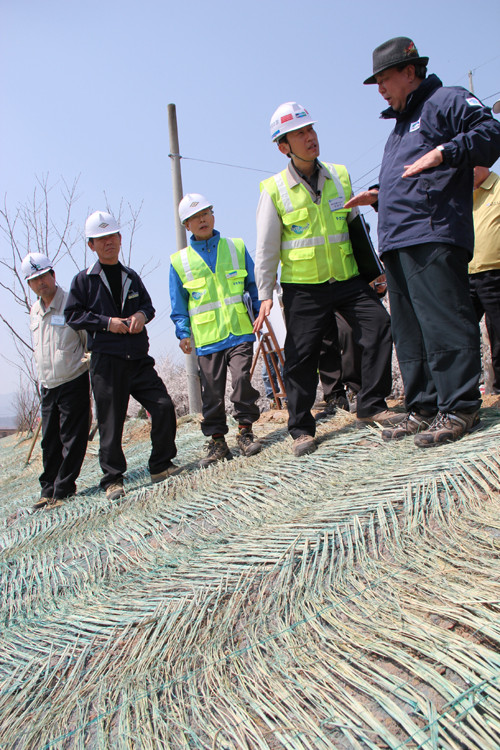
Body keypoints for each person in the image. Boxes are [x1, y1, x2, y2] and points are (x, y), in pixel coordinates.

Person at [346, 37, 500, 447]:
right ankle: (424, 406)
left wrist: (447, 152)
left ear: (410, 72)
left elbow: (490, 132)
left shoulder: (447, 100)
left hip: (432, 234)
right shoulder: (398, 126)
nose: (380, 88)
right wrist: (379, 194)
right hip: (397, 241)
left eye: (384, 78)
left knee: (443, 322)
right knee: (410, 331)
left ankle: (461, 406)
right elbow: (412, 177)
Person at [254, 101, 397, 457]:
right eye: (300, 133)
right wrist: (265, 291)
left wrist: (374, 274)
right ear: (283, 146)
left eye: (311, 130)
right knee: (301, 356)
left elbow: (356, 230)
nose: (310, 137)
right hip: (304, 288)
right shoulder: (274, 189)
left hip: (347, 279)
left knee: (379, 323)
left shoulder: (339, 176)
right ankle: (301, 428)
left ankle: (372, 403)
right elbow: (267, 246)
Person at [65, 211, 179, 500]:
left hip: (138, 359)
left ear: (120, 239)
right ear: (91, 245)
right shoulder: (83, 281)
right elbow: (72, 315)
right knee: (111, 423)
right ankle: (113, 479)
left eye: (112, 237)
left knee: (163, 406)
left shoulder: (131, 276)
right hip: (107, 362)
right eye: (101, 239)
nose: (108, 243)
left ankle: (161, 465)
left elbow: (149, 307)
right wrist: (106, 323)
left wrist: (141, 314)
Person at [170, 194, 262, 467]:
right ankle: (218, 441)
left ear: (213, 215)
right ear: (186, 226)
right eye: (194, 218)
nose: (202, 220)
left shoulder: (236, 247)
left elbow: (253, 286)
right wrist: (183, 332)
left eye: (206, 213)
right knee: (211, 391)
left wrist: (258, 312)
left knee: (242, 379)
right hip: (208, 338)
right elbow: (178, 304)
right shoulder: (179, 261)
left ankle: (245, 432)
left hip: (239, 329)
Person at [22, 252, 90, 510]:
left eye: (43, 276)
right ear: (29, 285)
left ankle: (63, 490)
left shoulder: (71, 303)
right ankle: (47, 488)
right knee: (49, 441)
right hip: (48, 385)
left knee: (72, 438)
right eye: (34, 280)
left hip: (73, 379)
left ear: (52, 275)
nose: (41, 283)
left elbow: (85, 340)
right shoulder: (34, 311)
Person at [469, 167, 500, 393]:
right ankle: (465, 393)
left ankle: (497, 390)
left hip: (495, 272)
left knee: (498, 334)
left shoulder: (498, 189)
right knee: (461, 334)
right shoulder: (460, 196)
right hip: (465, 276)